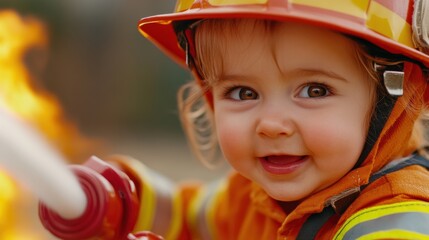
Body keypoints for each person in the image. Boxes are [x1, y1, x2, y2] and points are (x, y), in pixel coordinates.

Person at [39, 0, 429, 239]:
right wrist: (115, 200)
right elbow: (188, 219)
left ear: (399, 95)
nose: (271, 124)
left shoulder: (400, 218)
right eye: (243, 93)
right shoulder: (252, 199)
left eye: (314, 90)